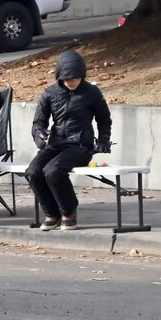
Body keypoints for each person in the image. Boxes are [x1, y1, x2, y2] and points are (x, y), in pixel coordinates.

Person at [26, 49, 112, 231]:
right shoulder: (50, 93)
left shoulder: (91, 92)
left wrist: (104, 139)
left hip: (81, 145)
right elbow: (38, 121)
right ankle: (52, 213)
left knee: (53, 171)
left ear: (82, 75)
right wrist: (39, 134)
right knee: (33, 172)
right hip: (56, 143)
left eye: (75, 78)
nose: (71, 82)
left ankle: (68, 210)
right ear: (59, 77)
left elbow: (104, 119)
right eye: (67, 79)